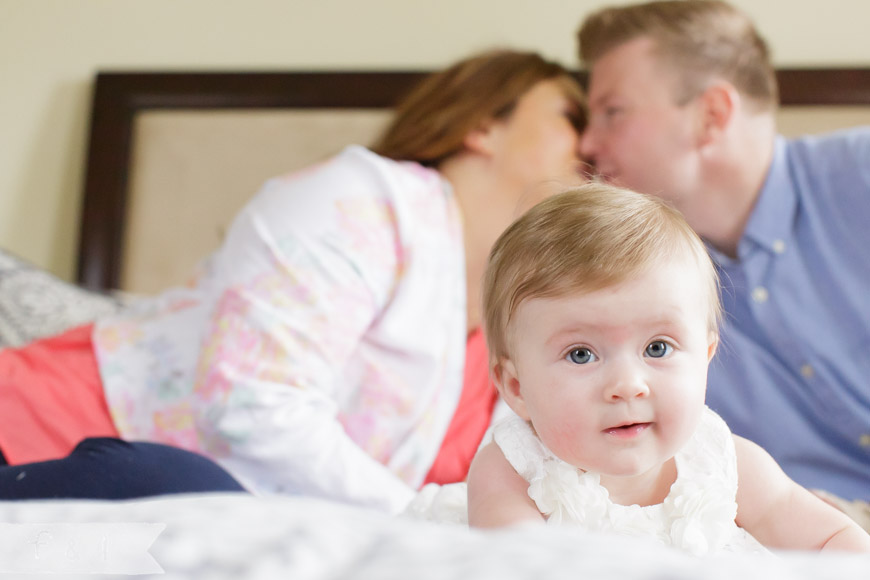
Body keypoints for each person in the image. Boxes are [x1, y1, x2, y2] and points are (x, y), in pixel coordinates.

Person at [0, 49, 587, 510]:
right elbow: (252, 406)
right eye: (573, 116)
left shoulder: (511, 336)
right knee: (169, 479)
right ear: (483, 124)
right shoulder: (360, 200)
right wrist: (424, 528)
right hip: (44, 433)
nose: (594, 144)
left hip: (216, 522)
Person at [465, 184, 870, 554]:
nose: (627, 386)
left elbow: (830, 538)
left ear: (706, 357)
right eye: (581, 354)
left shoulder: (726, 463)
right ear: (517, 387)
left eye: (657, 348)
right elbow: (517, 567)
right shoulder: (512, 469)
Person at [576, 0, 870, 505]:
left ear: (711, 115)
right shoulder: (630, 285)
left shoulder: (860, 176)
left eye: (612, 112)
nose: (586, 143)